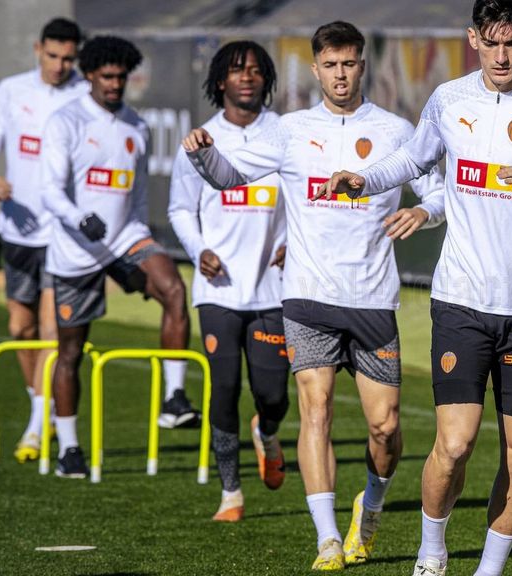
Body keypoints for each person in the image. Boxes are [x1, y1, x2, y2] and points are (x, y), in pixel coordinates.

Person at [321, 2, 512, 574]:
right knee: (454, 445)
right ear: (473, 38)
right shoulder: (449, 99)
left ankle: (489, 569)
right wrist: (362, 179)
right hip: (462, 301)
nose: (501, 56)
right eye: (491, 43)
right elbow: (411, 160)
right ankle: (431, 550)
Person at [182, 21, 446, 570]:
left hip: (372, 298)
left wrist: (422, 211)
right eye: (331, 65)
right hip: (306, 296)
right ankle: (327, 538)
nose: (341, 75)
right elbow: (229, 177)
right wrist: (204, 155)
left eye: (350, 64)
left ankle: (369, 508)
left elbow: (440, 193)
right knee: (315, 408)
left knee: (385, 427)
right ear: (315, 69)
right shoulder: (291, 131)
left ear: (363, 64)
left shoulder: (397, 130)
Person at [41, 35, 200, 479]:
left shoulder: (136, 126)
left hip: (126, 237)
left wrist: (140, 237)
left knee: (173, 288)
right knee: (70, 351)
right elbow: (50, 191)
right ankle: (69, 447)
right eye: (106, 76)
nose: (114, 84)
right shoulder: (66, 121)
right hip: (76, 249)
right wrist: (78, 217)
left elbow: (139, 195)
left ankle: (173, 399)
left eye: (121, 77)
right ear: (90, 74)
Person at [168, 41, 289, 522]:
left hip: (273, 287)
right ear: (220, 80)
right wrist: (200, 251)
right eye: (237, 71)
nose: (247, 78)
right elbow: (179, 208)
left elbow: (306, 198)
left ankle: (268, 432)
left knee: (273, 395)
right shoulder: (199, 140)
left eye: (256, 71)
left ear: (267, 80)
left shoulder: (285, 134)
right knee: (223, 386)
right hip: (217, 290)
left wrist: (294, 243)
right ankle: (231, 494)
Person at [0, 18, 86, 464]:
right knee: (22, 330)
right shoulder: (11, 90)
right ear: (38, 49)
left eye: (68, 58)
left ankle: (37, 429)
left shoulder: (83, 95)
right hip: (17, 228)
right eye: (52, 55)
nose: (59, 66)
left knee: (52, 330)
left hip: (62, 233)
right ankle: (43, 404)